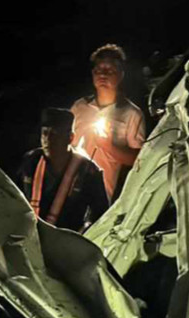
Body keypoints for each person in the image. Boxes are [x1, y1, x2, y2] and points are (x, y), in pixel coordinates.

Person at [70, 44, 146, 202]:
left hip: (103, 194)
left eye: (109, 71)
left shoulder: (132, 114)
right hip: (70, 188)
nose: (103, 75)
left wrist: (108, 146)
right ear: (93, 73)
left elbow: (139, 160)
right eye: (99, 70)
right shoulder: (79, 107)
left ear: (120, 74)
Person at [18, 108, 108, 232]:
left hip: (68, 238)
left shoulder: (88, 171)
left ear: (70, 138)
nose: (48, 139)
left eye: (55, 134)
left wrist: (84, 233)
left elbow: (101, 215)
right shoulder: (31, 161)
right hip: (31, 233)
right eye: (45, 133)